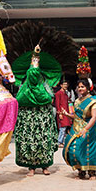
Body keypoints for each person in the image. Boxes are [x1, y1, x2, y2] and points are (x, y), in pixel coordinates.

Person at [13, 45, 59, 177]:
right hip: (28, 117)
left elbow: (49, 99)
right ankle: (31, 167)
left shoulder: (44, 83)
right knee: (28, 141)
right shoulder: (24, 85)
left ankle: (45, 166)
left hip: (42, 117)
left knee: (44, 141)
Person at [62, 79, 96, 180]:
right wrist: (67, 115)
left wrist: (85, 129)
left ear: (88, 88)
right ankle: (81, 171)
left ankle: (92, 172)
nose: (80, 88)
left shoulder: (93, 102)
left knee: (87, 150)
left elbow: (94, 117)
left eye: (82, 86)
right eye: (79, 87)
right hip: (76, 128)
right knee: (72, 149)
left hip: (88, 129)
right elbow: (76, 116)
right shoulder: (77, 101)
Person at [54, 80, 72, 147]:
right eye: (64, 84)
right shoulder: (58, 93)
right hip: (62, 112)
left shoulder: (65, 94)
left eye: (66, 84)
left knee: (65, 127)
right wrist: (60, 113)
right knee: (62, 127)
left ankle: (61, 141)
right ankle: (59, 141)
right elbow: (57, 104)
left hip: (66, 112)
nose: (66, 86)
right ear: (61, 85)